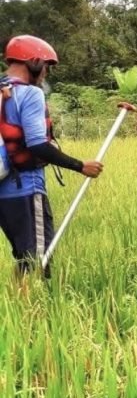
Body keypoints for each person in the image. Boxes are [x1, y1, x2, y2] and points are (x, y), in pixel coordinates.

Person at [0, 35, 103, 279]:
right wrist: (80, 166)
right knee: (38, 260)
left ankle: (20, 312)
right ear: (33, 62)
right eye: (46, 66)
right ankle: (30, 315)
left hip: (3, 190)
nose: (46, 73)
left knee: (25, 257)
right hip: (25, 188)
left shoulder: (3, 90)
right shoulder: (30, 94)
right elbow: (37, 145)